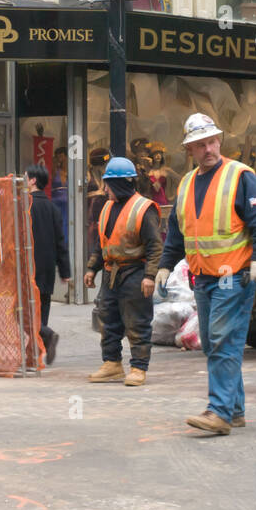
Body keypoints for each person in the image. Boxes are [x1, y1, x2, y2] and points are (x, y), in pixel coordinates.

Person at [157, 113, 256, 434]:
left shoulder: (241, 176)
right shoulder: (185, 184)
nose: (207, 149)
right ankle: (234, 410)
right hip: (203, 278)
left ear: (219, 141)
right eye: (200, 145)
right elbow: (177, 233)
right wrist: (165, 265)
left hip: (234, 276)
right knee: (213, 344)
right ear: (190, 150)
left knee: (224, 340)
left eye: (211, 142)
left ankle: (219, 411)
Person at [83, 156, 162, 387]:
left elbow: (155, 245)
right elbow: (102, 242)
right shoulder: (107, 207)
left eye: (108, 184)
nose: (105, 189)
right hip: (111, 272)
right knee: (109, 320)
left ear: (119, 184)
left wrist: (149, 276)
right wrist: (92, 268)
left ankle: (138, 367)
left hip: (135, 272)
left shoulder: (143, 208)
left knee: (137, 322)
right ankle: (112, 364)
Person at [25, 164, 71, 364]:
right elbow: (61, 241)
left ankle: (46, 335)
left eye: (26, 178)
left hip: (28, 267)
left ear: (33, 180)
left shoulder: (25, 206)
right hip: (47, 268)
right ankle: (37, 353)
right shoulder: (53, 208)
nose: (24, 181)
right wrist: (65, 270)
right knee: (42, 309)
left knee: (23, 311)